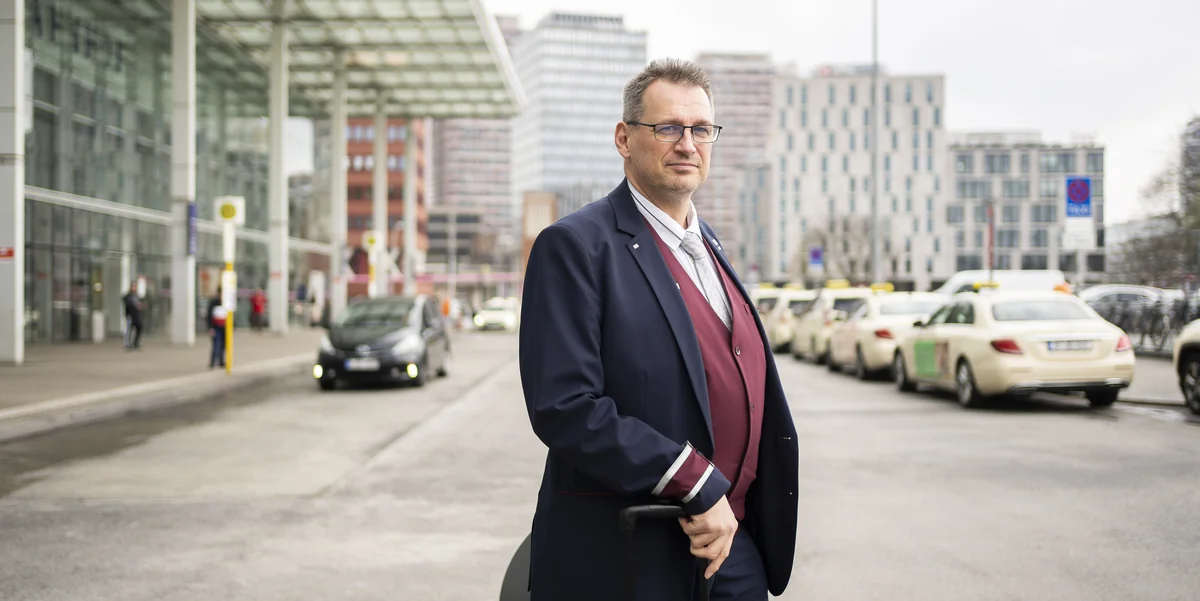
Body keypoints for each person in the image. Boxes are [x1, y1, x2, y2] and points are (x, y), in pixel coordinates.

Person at [518, 58, 799, 601]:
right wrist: (695, 480)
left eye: (701, 129)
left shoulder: (710, 243)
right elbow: (564, 406)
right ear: (624, 139)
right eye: (668, 127)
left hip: (733, 546)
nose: (687, 145)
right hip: (631, 552)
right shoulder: (575, 246)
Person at [206, 287, 227, 369]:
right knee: (216, 344)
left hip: (224, 327)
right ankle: (212, 362)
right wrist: (210, 327)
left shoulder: (227, 303)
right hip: (216, 327)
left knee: (223, 345)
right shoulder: (213, 303)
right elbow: (209, 316)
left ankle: (221, 361)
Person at [122, 282, 143, 350]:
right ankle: (127, 343)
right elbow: (127, 304)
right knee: (129, 329)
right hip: (130, 315)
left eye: (135, 287)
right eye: (133, 287)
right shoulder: (128, 296)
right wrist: (134, 306)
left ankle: (136, 342)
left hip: (136, 315)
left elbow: (139, 304)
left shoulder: (136, 296)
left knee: (139, 327)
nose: (134, 288)